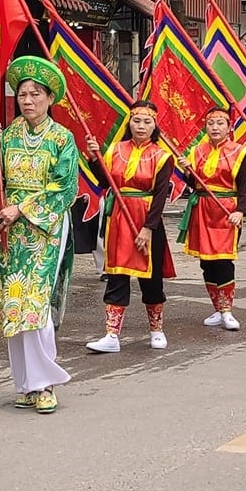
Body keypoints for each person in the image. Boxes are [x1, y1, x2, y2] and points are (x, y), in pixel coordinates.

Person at [0, 57, 78, 414]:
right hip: (12, 230)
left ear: (50, 98)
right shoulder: (7, 135)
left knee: (35, 305)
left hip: (44, 229)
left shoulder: (61, 138)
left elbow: (65, 188)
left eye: (36, 94)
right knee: (14, 303)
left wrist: (21, 209)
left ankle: (46, 382)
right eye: (22, 94)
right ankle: (24, 384)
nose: (28, 100)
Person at [85, 100, 176, 353]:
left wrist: (148, 228)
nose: (141, 126)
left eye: (147, 121)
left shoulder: (162, 155)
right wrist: (94, 159)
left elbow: (160, 196)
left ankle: (156, 329)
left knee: (152, 279)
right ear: (129, 122)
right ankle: (111, 335)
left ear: (155, 125)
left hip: (148, 221)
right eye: (137, 120)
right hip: (119, 220)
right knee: (117, 276)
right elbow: (105, 182)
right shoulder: (115, 149)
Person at [179, 108, 246, 331]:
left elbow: (245, 185)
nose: (215, 127)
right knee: (206, 262)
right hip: (202, 208)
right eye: (211, 123)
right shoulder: (196, 151)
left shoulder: (240, 152)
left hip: (227, 211)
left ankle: (227, 310)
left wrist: (241, 211)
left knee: (223, 261)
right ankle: (216, 308)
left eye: (220, 123)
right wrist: (187, 172)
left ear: (229, 127)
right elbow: (194, 185)